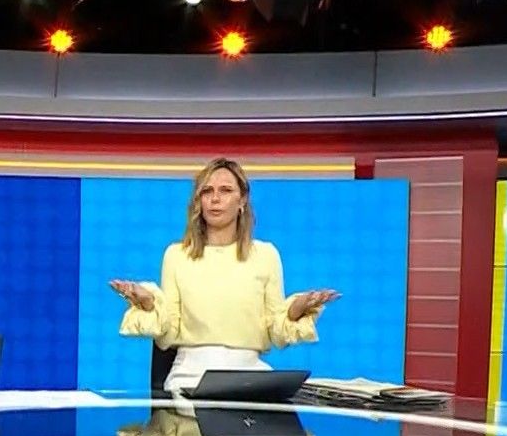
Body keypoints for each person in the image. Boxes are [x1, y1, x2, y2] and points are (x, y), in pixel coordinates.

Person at [110, 157, 338, 393]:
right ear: (198, 201)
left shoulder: (266, 255)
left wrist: (296, 310)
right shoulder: (177, 255)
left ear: (242, 200)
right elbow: (169, 335)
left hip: (251, 376)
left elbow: (277, 333)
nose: (215, 199)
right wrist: (148, 305)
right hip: (190, 377)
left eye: (226, 190)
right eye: (207, 191)